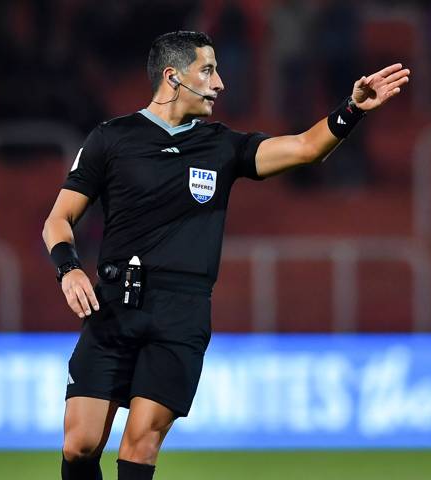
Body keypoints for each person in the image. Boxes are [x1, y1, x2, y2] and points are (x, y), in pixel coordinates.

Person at [42, 31, 409, 480]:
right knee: (79, 446)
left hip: (181, 313)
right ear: (173, 77)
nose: (220, 84)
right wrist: (68, 269)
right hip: (114, 306)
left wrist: (351, 110)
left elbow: (305, 148)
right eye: (209, 70)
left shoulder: (221, 146)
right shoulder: (110, 138)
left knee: (140, 445)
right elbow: (57, 221)